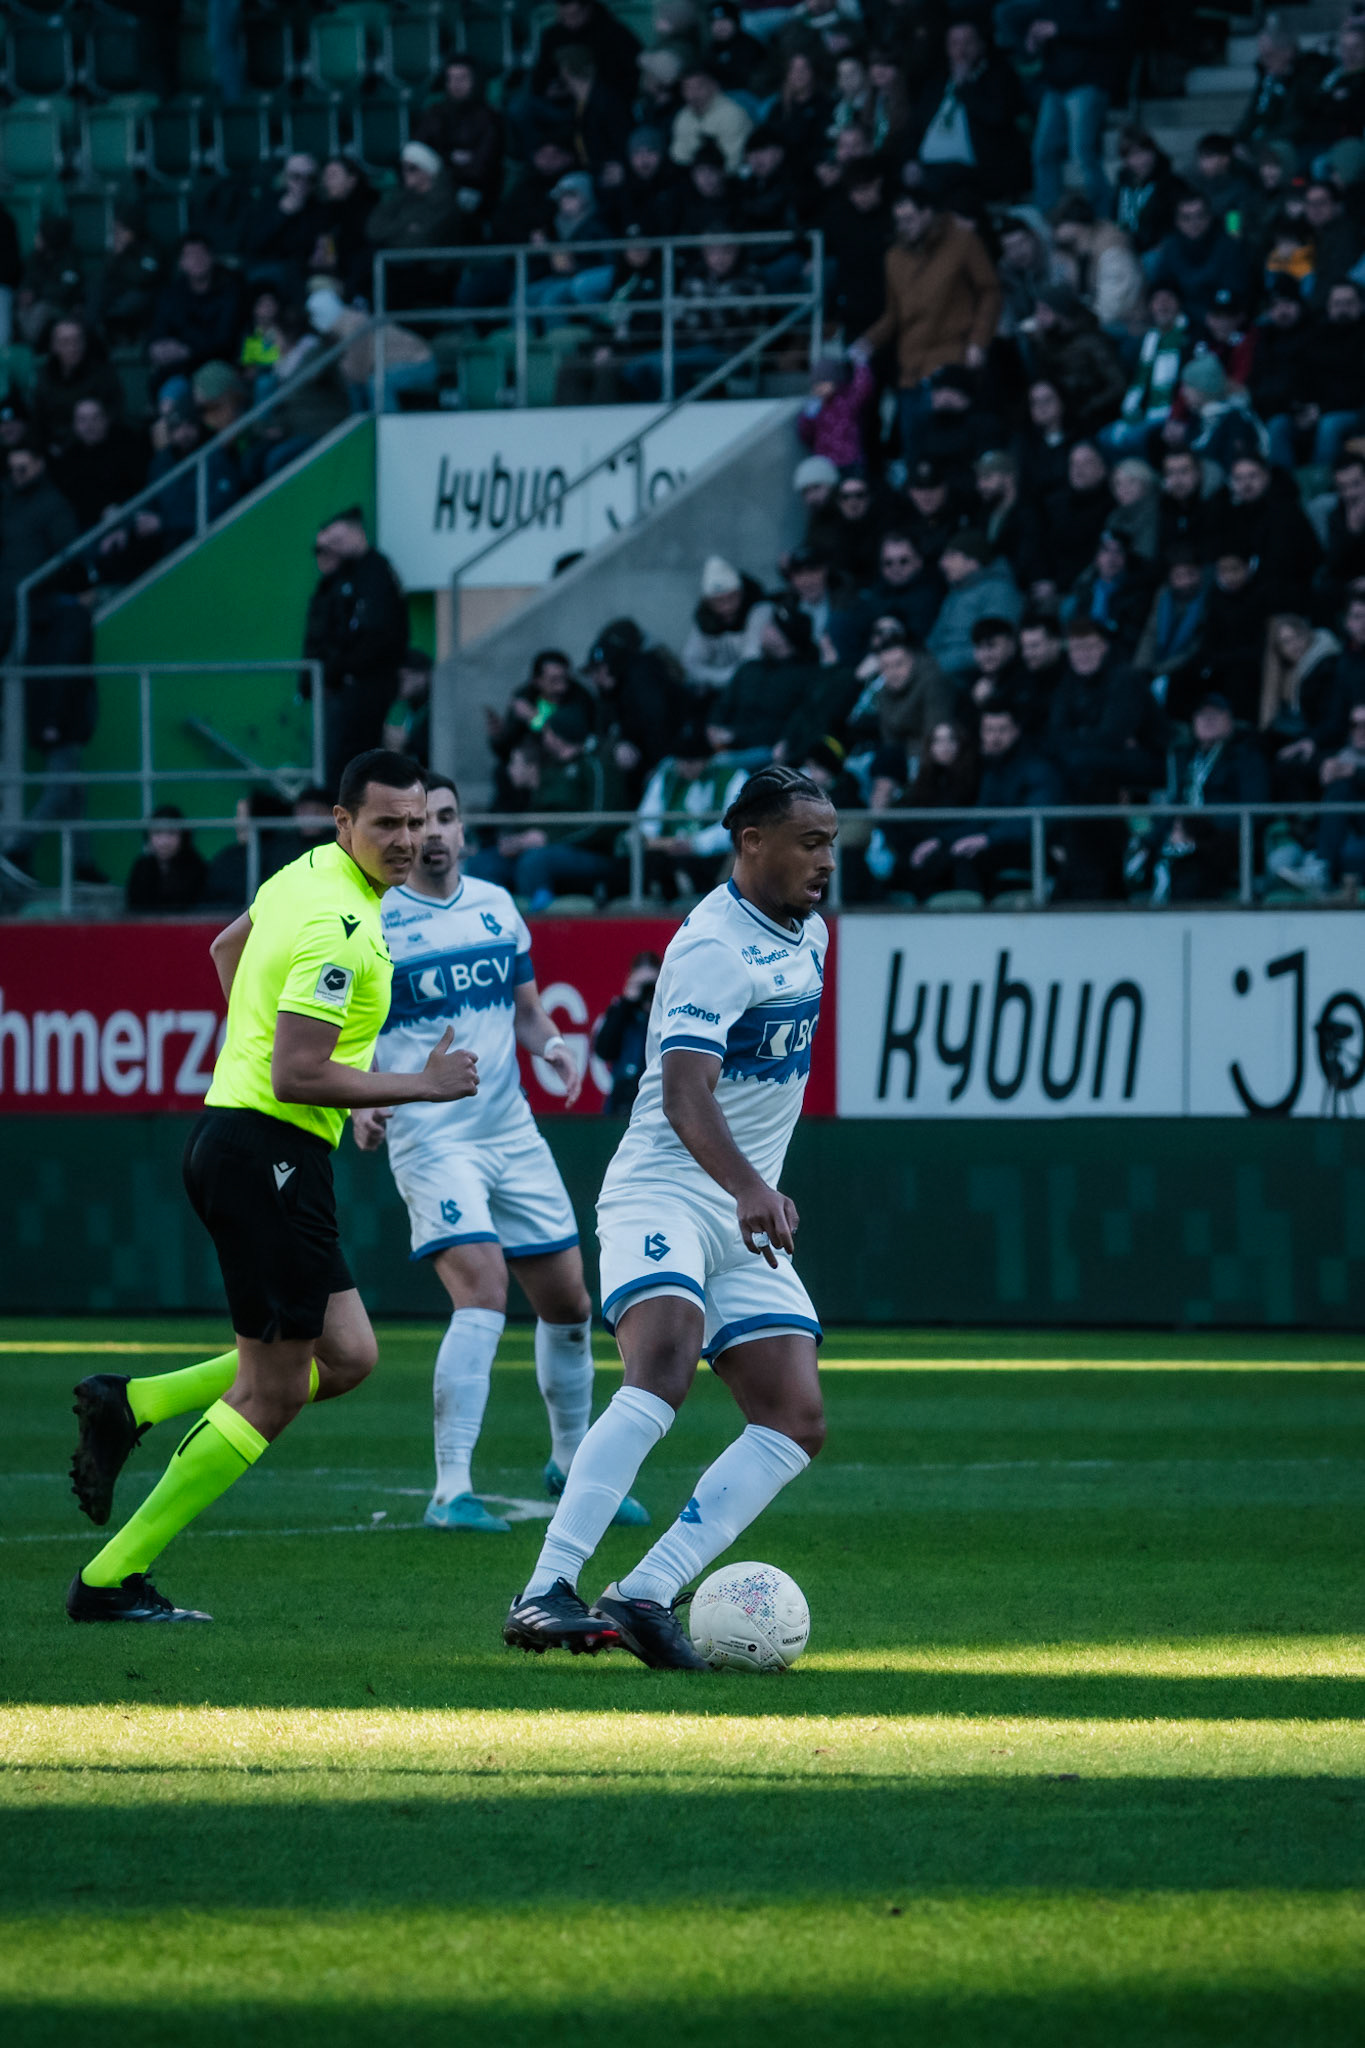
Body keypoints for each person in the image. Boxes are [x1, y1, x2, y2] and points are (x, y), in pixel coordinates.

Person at [64, 749, 480, 1623]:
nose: (407, 840)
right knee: (276, 1388)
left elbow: (227, 947)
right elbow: (297, 1072)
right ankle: (110, 1579)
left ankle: (133, 1403)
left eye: (418, 822)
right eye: (387, 825)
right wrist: (417, 1084)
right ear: (344, 824)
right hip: (267, 1152)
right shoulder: (342, 926)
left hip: (247, 1142)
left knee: (349, 1356)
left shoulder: (307, 876)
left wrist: (271, 1063)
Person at [503, 764, 835, 1669]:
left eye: (832, 842)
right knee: (661, 1366)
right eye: (809, 842)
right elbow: (686, 1096)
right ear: (750, 843)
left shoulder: (808, 937)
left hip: (741, 1205)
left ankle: (644, 1593)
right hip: (668, 1190)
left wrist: (751, 1193)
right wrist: (748, 1188)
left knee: (793, 1417)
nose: (825, 860)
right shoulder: (711, 948)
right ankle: (543, 1590)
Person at [352, 773, 646, 1534]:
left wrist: (551, 1045)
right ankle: (451, 1489)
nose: (437, 833)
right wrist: (365, 1100)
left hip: (510, 1130)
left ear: (464, 826)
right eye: (422, 821)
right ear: (403, 834)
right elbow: (346, 1032)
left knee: (572, 1305)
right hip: (430, 1133)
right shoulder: (374, 920)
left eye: (448, 817)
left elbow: (525, 1009)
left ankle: (572, 1467)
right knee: (482, 1293)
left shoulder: (497, 907)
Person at [855, 189, 1001, 468]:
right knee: (916, 457)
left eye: (909, 218)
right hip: (911, 371)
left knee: (956, 452)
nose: (903, 226)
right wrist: (867, 342)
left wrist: (978, 341)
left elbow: (990, 292)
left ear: (927, 213)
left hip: (952, 364)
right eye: (898, 220)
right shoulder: (894, 257)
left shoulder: (963, 242)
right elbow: (895, 314)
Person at [302, 507, 410, 796]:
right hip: (346, 684)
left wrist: (339, 668)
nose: (330, 550)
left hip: (364, 685)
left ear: (355, 533)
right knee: (341, 763)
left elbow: (378, 634)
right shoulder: (341, 579)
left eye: (335, 541)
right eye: (323, 547)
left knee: (356, 763)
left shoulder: (374, 573)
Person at [635, 724, 748, 900]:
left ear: (707, 759)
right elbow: (647, 818)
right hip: (666, 853)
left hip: (711, 856)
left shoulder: (733, 778)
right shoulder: (666, 778)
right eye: (681, 761)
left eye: (692, 761)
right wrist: (657, 841)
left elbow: (735, 825)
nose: (686, 767)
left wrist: (695, 844)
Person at [594, 951, 662, 1114]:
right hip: (622, 1103)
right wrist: (627, 1002)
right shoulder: (622, 1012)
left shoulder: (665, 1014)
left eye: (651, 986)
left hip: (657, 1100)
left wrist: (655, 1004)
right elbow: (603, 1050)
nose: (647, 991)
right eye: (643, 986)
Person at [125, 803, 208, 913]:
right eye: (157, 833)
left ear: (183, 836)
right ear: (148, 836)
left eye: (171, 833)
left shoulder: (197, 868)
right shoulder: (142, 867)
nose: (164, 842)